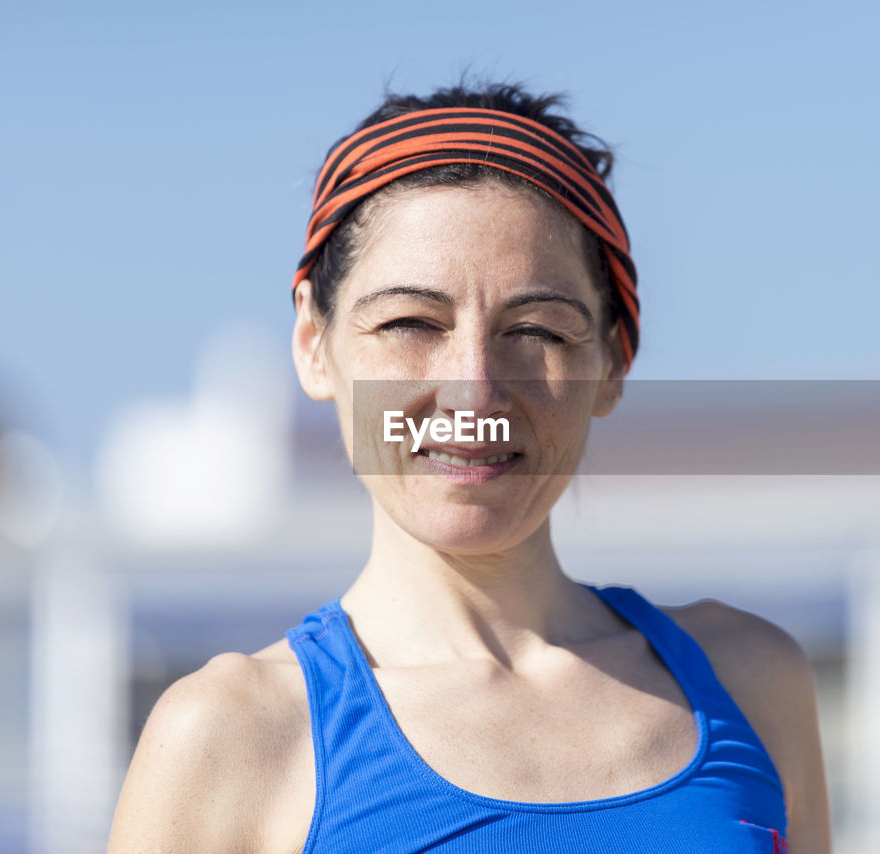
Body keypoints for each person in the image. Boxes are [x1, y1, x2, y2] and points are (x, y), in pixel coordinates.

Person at [107, 81, 832, 854]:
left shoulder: (750, 685)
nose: (474, 390)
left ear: (613, 363)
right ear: (314, 345)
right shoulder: (233, 738)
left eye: (538, 331)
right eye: (410, 323)